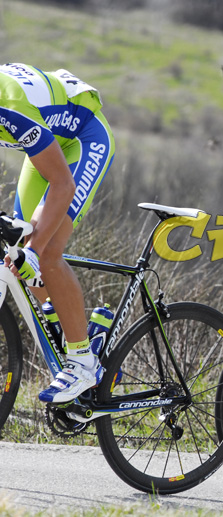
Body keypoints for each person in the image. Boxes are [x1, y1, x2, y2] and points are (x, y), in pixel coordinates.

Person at [0, 63, 115, 402]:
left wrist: (33, 249)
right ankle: (72, 328)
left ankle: (83, 362)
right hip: (47, 147)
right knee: (15, 251)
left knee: (44, 252)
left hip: (84, 138)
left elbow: (64, 184)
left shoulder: (10, 109)